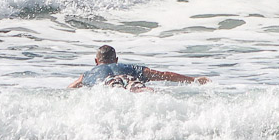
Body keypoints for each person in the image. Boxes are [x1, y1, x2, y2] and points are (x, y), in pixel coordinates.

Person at [67, 45, 211, 90]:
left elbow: (70, 89)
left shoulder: (88, 74)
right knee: (138, 88)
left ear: (96, 61)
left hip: (106, 82)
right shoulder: (130, 67)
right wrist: (194, 80)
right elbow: (164, 74)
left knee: (113, 88)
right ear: (116, 60)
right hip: (128, 77)